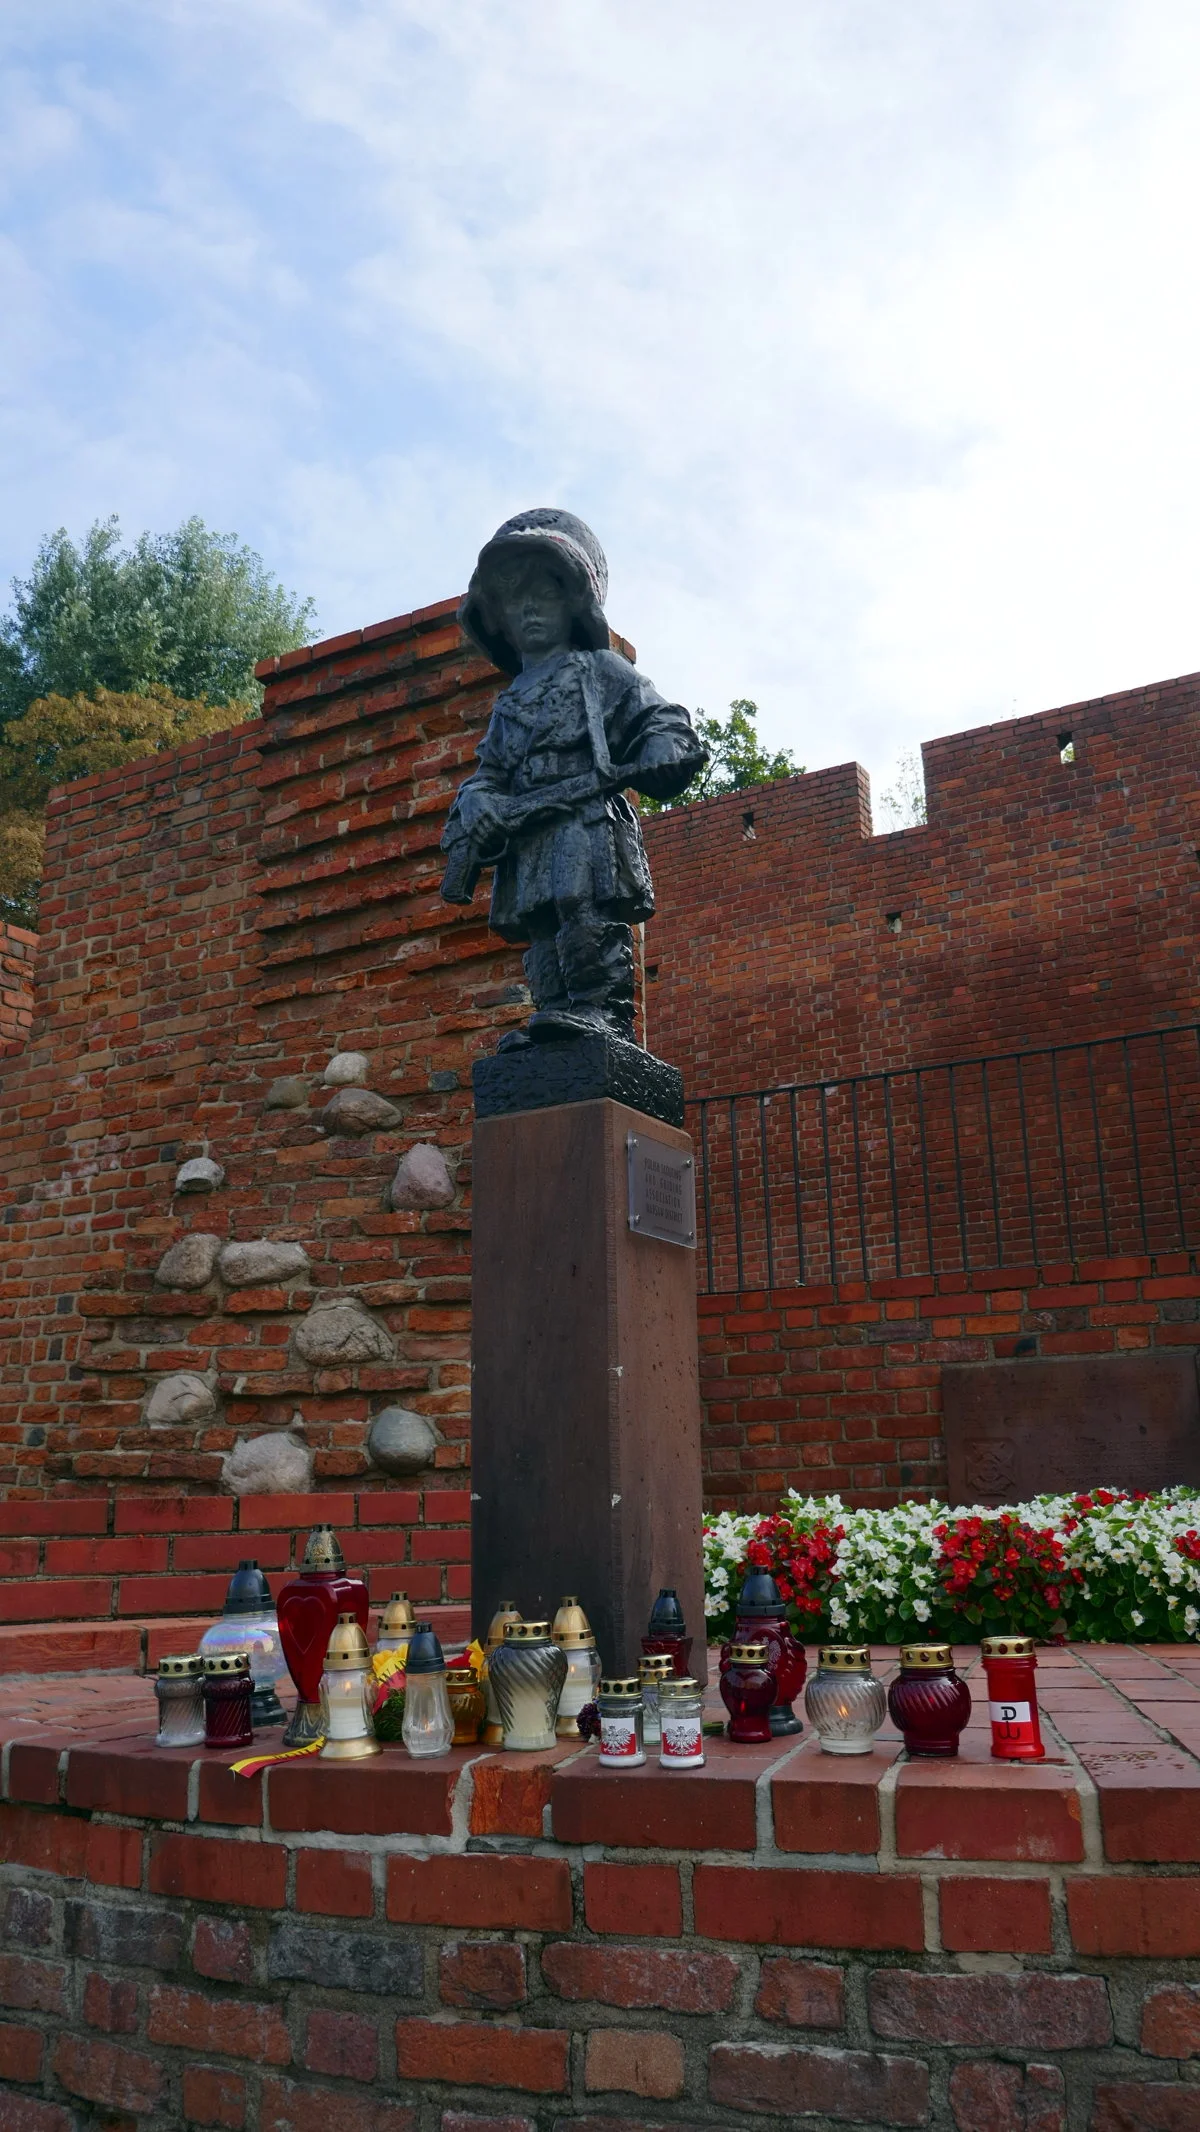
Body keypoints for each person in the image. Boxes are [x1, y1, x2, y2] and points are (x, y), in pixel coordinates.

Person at [441, 508, 706, 1047]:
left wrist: (662, 749)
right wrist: (476, 804)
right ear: (499, 617)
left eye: (546, 594)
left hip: (583, 820)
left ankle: (601, 1011)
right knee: (540, 922)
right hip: (528, 829)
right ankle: (554, 1012)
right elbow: (487, 775)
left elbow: (662, 720)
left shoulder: (601, 672)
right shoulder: (508, 701)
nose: (531, 609)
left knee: (579, 907)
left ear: (574, 603)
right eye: (517, 600)